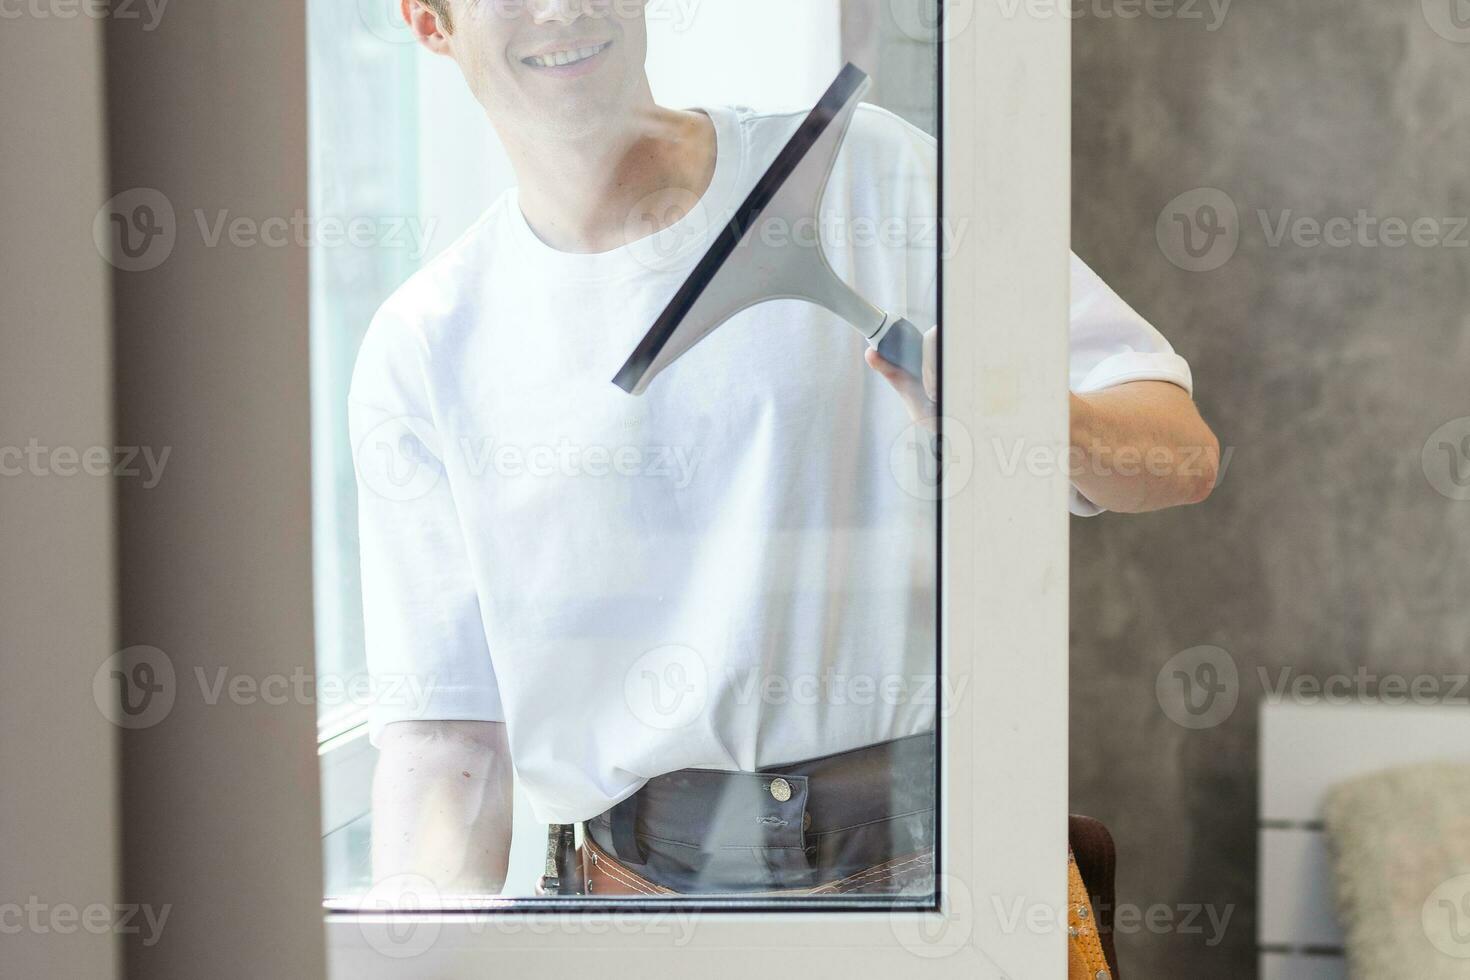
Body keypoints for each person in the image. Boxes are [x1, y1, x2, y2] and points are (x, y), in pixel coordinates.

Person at [351, 0, 1220, 897]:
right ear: (429, 21)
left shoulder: (869, 174)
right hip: (632, 908)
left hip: (944, 864)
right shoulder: (426, 343)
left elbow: (1181, 456)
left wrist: (1021, 414)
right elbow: (446, 741)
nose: (562, 8)